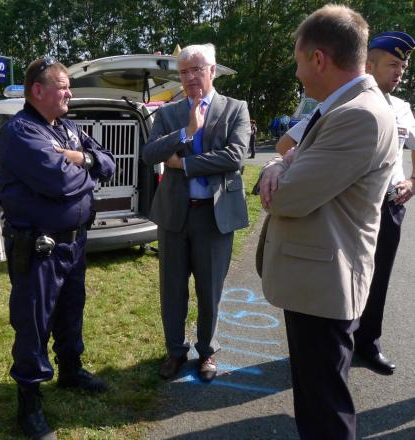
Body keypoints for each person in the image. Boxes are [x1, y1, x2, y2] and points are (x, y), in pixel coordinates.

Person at [257, 5, 398, 439]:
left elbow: (289, 196)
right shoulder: (345, 107)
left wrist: (274, 171)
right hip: (315, 280)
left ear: (319, 58)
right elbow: (291, 160)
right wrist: (279, 165)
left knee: (325, 413)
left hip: (324, 285)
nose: (298, 74)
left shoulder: (358, 114)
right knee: (315, 401)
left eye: (299, 62)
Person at [0, 57, 116, 439]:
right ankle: (28, 403)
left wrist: (81, 159)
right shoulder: (21, 132)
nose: (69, 93)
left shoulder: (68, 128)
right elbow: (60, 184)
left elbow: (108, 164)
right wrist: (87, 173)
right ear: (38, 90)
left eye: (68, 86)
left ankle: (71, 370)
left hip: (74, 242)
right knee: (34, 321)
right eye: (62, 86)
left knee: (70, 308)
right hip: (39, 249)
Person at [142, 44, 250, 382]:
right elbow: (149, 153)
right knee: (172, 288)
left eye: (196, 70)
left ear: (212, 71)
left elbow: (234, 156)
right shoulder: (169, 114)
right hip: (175, 214)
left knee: (210, 289)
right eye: (184, 71)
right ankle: (175, 351)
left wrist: (185, 163)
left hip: (214, 217)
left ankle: (207, 352)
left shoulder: (235, 109)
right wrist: (186, 132)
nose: (189, 77)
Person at [353, 31, 414, 375]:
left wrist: (413, 183)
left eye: (403, 66)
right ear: (368, 64)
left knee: (379, 278)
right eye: (393, 64)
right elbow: (292, 143)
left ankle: (368, 343)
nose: (400, 71)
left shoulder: (404, 109)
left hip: (389, 206)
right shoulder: (346, 100)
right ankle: (338, 340)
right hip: (353, 206)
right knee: (344, 276)